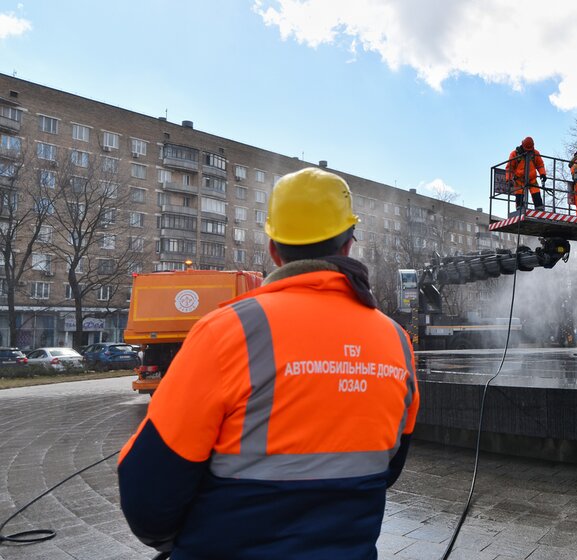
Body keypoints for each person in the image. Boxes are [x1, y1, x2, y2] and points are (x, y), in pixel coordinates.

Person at [118, 167, 420, 559]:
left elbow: (148, 491)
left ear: (273, 248)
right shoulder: (396, 341)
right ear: (348, 245)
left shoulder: (227, 331)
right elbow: (390, 468)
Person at [505, 136, 546, 212]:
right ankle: (520, 208)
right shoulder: (514, 154)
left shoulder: (535, 153)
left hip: (532, 178)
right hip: (519, 179)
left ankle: (539, 207)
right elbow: (509, 168)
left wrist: (543, 174)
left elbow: (540, 165)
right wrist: (509, 179)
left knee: (536, 192)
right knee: (519, 193)